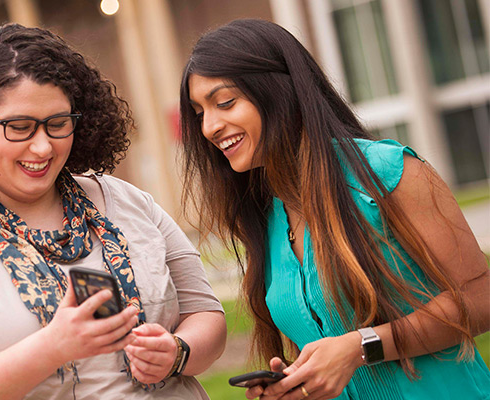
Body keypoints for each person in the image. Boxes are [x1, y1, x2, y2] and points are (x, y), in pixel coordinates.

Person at [0, 23, 226, 400]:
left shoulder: (128, 203)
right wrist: (51, 348)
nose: (42, 148)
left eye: (58, 124)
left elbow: (206, 316)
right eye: (19, 127)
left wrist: (177, 352)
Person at [179, 18, 490, 400]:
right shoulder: (266, 217)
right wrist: (297, 383)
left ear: (279, 91)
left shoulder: (388, 173)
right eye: (199, 114)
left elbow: (480, 299)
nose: (210, 126)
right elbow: (325, 350)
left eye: (225, 102)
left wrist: (362, 346)